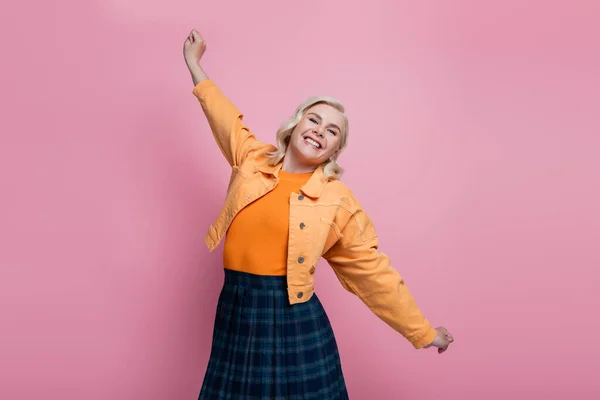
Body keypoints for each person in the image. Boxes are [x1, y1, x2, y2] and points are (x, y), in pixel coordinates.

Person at [183, 29, 454, 400]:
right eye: (314, 120)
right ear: (296, 124)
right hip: (236, 306)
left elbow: (371, 273)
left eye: (332, 131)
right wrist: (195, 64)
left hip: (292, 316)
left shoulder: (336, 201)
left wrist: (422, 332)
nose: (319, 131)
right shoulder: (252, 159)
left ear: (334, 152)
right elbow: (222, 114)